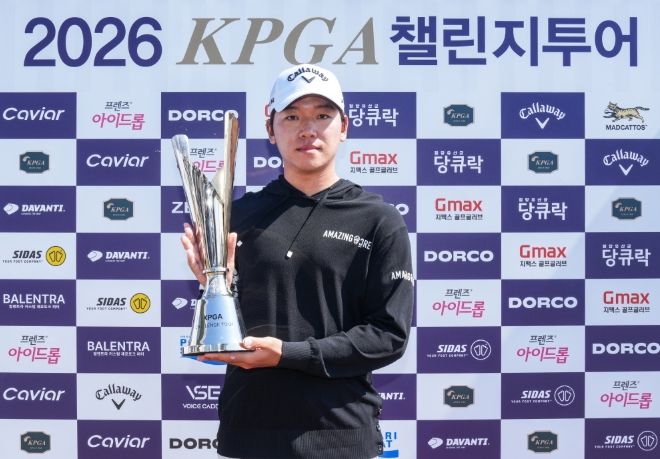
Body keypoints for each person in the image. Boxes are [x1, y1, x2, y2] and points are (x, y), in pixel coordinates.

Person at [181, 64, 414, 459]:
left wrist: (288, 354)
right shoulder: (236, 217)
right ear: (270, 130)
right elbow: (236, 332)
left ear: (344, 126)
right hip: (249, 431)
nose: (308, 129)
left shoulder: (379, 219)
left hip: (341, 434)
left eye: (322, 115)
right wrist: (215, 289)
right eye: (292, 117)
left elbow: (388, 336)